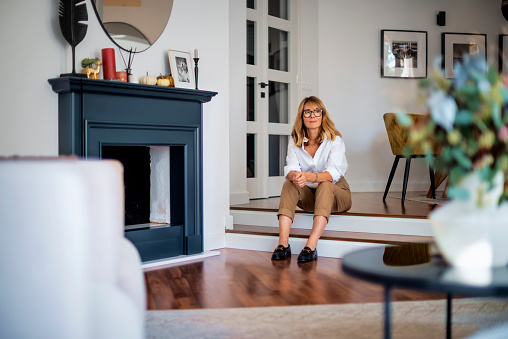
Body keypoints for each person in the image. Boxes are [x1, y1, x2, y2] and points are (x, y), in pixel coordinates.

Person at [271, 96, 352, 263]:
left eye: (317, 111)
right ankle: (283, 244)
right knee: (289, 184)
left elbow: (332, 174)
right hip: (311, 197)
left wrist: (307, 176)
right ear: (302, 117)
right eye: (307, 112)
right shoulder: (295, 141)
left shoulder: (334, 140)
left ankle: (311, 246)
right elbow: (291, 169)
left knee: (325, 185)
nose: (312, 115)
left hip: (338, 195)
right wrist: (296, 176)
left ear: (322, 115)